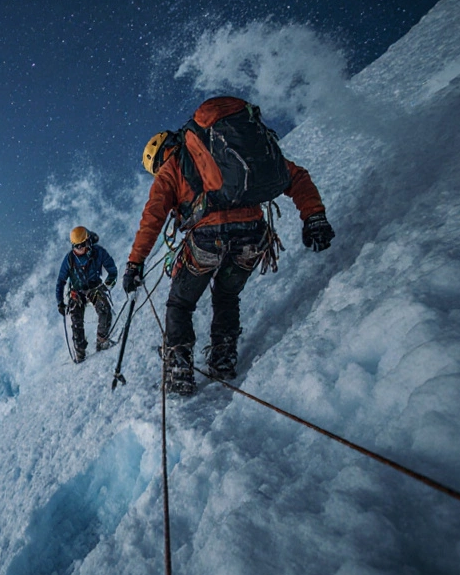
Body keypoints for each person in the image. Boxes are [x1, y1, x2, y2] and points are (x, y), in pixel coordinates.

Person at [123, 96, 334, 394]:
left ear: (158, 158)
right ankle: (223, 358)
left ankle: (180, 366)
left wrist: (135, 263)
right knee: (226, 296)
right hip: (252, 235)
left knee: (180, 303)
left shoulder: (171, 168)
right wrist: (314, 216)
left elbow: (153, 218)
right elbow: (295, 176)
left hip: (207, 241)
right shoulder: (223, 152)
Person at [56, 226, 118, 363]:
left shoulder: (99, 253)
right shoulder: (69, 259)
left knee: (104, 310)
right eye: (76, 246)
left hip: (95, 288)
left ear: (88, 242)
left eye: (82, 245)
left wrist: (105, 287)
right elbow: (61, 281)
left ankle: (102, 340)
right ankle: (80, 352)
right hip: (76, 292)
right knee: (76, 320)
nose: (79, 249)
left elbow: (113, 271)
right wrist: (60, 302)